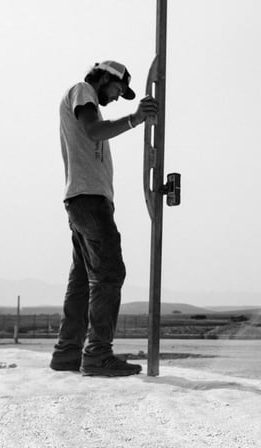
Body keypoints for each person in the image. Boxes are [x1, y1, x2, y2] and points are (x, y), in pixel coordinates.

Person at [50, 60, 158, 377]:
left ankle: (67, 354)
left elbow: (95, 131)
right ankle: (97, 354)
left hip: (84, 200)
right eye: (117, 88)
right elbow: (94, 130)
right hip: (89, 200)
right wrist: (135, 119)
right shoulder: (83, 91)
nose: (116, 96)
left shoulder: (91, 102)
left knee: (83, 280)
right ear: (103, 77)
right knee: (109, 273)